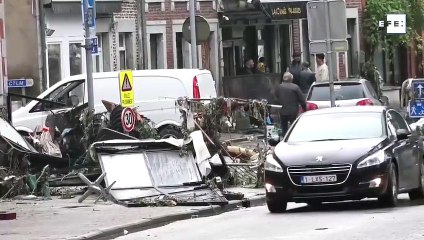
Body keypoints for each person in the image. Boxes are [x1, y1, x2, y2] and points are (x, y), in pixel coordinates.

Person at [274, 72, 306, 136]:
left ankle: (285, 138)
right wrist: (304, 108)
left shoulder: (279, 87)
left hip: (283, 111)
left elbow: (275, 97)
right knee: (294, 127)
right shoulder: (295, 87)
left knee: (284, 128)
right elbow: (302, 99)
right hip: (293, 111)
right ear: (291, 79)